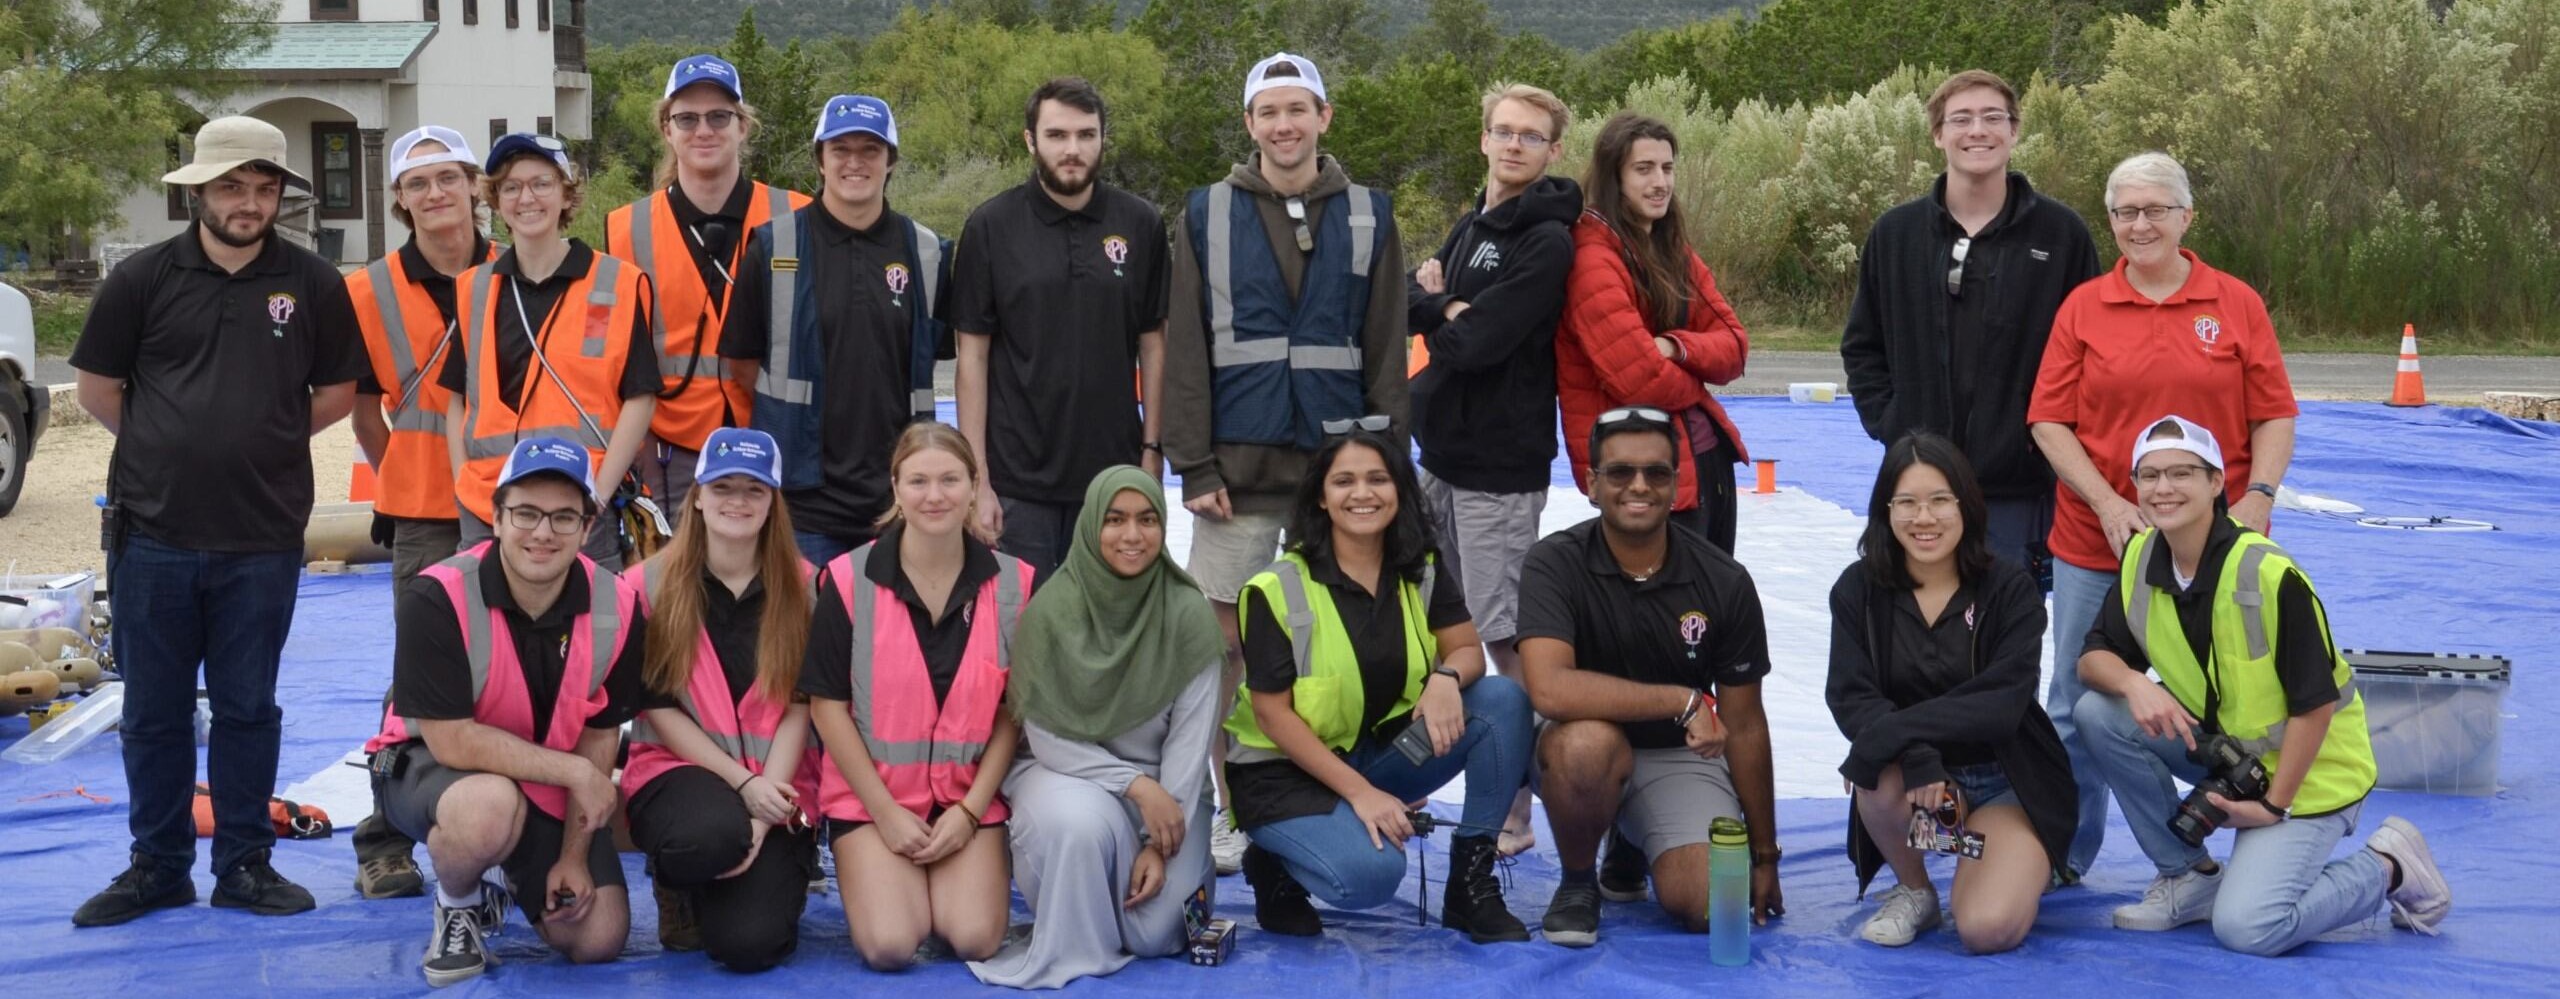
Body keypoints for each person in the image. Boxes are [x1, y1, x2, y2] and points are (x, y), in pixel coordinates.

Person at [70, 115, 363, 927]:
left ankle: (244, 863)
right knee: (154, 713)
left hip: (262, 538)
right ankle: (158, 865)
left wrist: (258, 438)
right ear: (197, 192)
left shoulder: (312, 283)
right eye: (232, 186)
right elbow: (98, 390)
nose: (249, 201)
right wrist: (172, 441)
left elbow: (336, 394)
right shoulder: (141, 279)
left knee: (247, 708)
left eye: (264, 187)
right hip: (152, 536)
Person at [1159, 50, 1408, 876]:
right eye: (1269, 112)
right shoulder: (1204, 213)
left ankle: (1330, 791)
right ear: (1250, 125)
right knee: (1223, 649)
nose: (1284, 125)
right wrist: (1192, 464)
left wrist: (1385, 472)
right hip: (1235, 477)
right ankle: (1229, 806)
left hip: (1338, 481)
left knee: (1333, 643)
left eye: (1298, 108)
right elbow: (1186, 347)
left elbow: (1385, 349)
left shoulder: (1371, 213)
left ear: (1325, 118)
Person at [2075, 416, 2450, 954]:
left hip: (2313, 774)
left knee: (2249, 927)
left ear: (2215, 484)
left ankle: (2389, 866)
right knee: (2098, 712)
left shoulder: (2268, 573)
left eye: (2182, 473)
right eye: (2149, 475)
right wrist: (2135, 682)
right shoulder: (2141, 559)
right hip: (2229, 759)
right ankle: (2189, 877)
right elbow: (2093, 658)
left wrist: (2274, 807)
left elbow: (2315, 706)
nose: (2163, 489)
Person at [2029, 151, 2300, 883]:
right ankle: (2069, 854)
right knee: (2077, 702)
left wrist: (2259, 498)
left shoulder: (2236, 303)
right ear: (2111, 222)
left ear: (2187, 217)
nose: (2140, 224)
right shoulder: (2084, 307)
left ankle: (2269, 820)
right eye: (2125, 212)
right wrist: (2108, 501)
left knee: (2244, 697)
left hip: (2217, 546)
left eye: (2155, 209)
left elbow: (2274, 413)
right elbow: (2049, 421)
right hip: (2098, 540)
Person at [1225, 421, 1534, 944]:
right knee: (1371, 876)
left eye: (1378, 479)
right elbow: (1273, 715)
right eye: (1344, 481)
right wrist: (1363, 794)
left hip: (1371, 755)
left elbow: (1465, 648)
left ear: (1400, 491)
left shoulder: (1422, 568)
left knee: (1500, 700)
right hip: (1281, 775)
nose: (1363, 493)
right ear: (1321, 498)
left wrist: (1445, 678)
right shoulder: (1275, 588)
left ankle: (1469, 883)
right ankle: (1272, 862)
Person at [361, 438, 650, 986]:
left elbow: (599, 734)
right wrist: (574, 773)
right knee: (487, 807)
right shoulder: (436, 597)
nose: (543, 532)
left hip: (539, 773)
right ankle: (460, 903)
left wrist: (572, 855)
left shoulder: (620, 604)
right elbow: (453, 743)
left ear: (588, 529)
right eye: (526, 513)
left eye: (564, 517)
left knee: (598, 938)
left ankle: (505, 877)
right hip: (429, 767)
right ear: (494, 518)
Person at [1516, 405, 1782, 947]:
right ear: (1591, 483)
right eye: (1620, 472)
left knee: (1716, 905)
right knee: (1589, 745)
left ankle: (1631, 843)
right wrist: (1682, 700)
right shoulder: (1552, 562)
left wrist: (1763, 853)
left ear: (1677, 483)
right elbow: (1548, 688)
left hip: (1676, 757)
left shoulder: (1724, 580)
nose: (1639, 486)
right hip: (1578, 747)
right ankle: (1577, 880)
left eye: (1656, 473)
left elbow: (1746, 723)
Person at [1837, 69, 2100, 588]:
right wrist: (1895, 426)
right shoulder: (1896, 234)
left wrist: (2042, 442)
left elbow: (2090, 354)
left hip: (2019, 489)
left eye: (1991, 118)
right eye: (1961, 119)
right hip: (1918, 484)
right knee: (1914, 634)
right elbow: (1862, 347)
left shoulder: (2061, 233)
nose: (1977, 130)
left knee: (2008, 637)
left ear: (2014, 130)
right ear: (1938, 134)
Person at [1406, 82, 1581, 855]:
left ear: (1552, 151)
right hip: (1438, 457)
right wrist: (1440, 307)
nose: (1514, 145)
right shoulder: (1474, 222)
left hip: (1498, 473)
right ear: (1482, 139)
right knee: (1439, 626)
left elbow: (1479, 343)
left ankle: (1514, 812)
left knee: (1497, 641)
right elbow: (1413, 299)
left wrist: (1441, 308)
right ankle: (1438, 784)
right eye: (1503, 131)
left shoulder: (1547, 241)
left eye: (1530, 136)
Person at [968, 466, 1227, 988]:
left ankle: (1145, 877)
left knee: (1155, 935)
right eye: (1115, 520)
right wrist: (1134, 785)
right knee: (1079, 825)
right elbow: (1047, 738)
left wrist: (1158, 840)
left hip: (1167, 788)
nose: (1132, 536)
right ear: (1090, 526)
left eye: (1147, 520)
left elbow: (1191, 739)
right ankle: (1079, 906)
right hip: (1065, 772)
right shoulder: (1051, 612)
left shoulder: (1186, 613)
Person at [1825, 432, 2073, 953]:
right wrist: (1916, 755)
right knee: (1877, 774)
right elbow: (1851, 695)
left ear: (1967, 505)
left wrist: (1894, 732)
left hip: (2005, 781)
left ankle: (1998, 859)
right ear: (1884, 510)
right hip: (1910, 784)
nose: (1924, 518)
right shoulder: (1858, 590)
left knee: (1987, 930)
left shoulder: (2010, 589)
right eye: (1907, 502)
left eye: (1940, 500)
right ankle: (1915, 889)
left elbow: (2002, 702)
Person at [802, 422, 1030, 970]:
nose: (935, 496)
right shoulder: (846, 580)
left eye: (950, 479)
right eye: (919, 481)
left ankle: (943, 882)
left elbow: (1012, 714)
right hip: (874, 799)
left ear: (974, 487)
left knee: (976, 938)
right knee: (889, 946)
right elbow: (826, 706)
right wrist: (883, 813)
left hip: (964, 798)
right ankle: (899, 883)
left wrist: (972, 812)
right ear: (896, 488)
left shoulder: (1017, 585)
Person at [345, 125, 503, 902]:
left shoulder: (522, 270)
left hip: (513, 506)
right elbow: (366, 411)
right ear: (401, 202)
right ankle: (381, 837)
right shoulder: (367, 289)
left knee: (516, 667)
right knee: (418, 674)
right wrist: (403, 475)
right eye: (419, 183)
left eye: (449, 177)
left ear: (475, 186)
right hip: (427, 514)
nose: (436, 194)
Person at [951, 78, 1171, 583]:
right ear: (1031, 140)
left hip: (1115, 477)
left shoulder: (1141, 223)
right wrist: (978, 481)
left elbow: (1154, 347)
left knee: (1109, 636)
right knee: (1023, 637)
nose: (1072, 150)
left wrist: (1151, 455)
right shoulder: (991, 226)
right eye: (1056, 135)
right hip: (1015, 485)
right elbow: (973, 359)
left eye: (1086, 135)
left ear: (1102, 138)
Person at [619, 427, 819, 972]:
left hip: (779, 782)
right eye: (723, 485)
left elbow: (802, 707)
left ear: (773, 502)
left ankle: (741, 878)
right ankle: (678, 882)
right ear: (698, 496)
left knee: (748, 946)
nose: (737, 501)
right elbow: (655, 705)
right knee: (705, 841)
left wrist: (759, 820)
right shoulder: (646, 587)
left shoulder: (807, 589)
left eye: (754, 490)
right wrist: (743, 787)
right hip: (680, 769)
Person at [725, 94, 949, 566]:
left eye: (870, 150)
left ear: (890, 162)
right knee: (806, 637)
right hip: (805, 503)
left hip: (897, 501)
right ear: (820, 161)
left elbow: (943, 359)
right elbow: (743, 366)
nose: (854, 162)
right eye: (839, 149)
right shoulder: (774, 246)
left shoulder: (927, 252)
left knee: (889, 639)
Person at [441, 133, 659, 571]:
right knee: (487, 632)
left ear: (566, 194)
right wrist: (463, 478)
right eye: (511, 186)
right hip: (489, 503)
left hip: (578, 503)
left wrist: (597, 494)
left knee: (590, 630)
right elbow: (457, 398)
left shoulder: (618, 282)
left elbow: (640, 397)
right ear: (497, 200)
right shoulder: (475, 288)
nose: (527, 198)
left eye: (541, 183)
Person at [606, 54, 811, 511]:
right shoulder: (625, 229)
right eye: (687, 118)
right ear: (667, 129)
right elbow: (616, 359)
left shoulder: (798, 215)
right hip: (671, 451)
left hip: (778, 440)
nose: (704, 130)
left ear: (743, 127)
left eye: (720, 116)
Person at [1558, 112, 1750, 554]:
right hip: (1642, 475)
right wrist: (1697, 374)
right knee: (1662, 614)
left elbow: (1735, 346)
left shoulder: (1671, 250)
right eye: (1643, 169)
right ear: (1613, 176)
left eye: (1667, 168)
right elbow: (1640, 380)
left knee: (1710, 609)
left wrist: (1676, 347)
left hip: (1700, 463)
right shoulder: (1592, 258)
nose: (1659, 182)